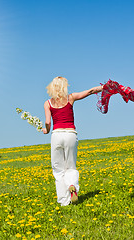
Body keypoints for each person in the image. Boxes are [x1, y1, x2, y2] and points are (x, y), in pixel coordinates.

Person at [42, 76, 102, 206]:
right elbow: (89, 91)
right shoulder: (71, 97)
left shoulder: (48, 103)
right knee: (71, 165)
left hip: (57, 135)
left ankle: (64, 201)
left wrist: (46, 130)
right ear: (65, 86)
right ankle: (72, 184)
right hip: (70, 134)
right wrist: (103, 87)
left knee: (58, 169)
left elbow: (48, 122)